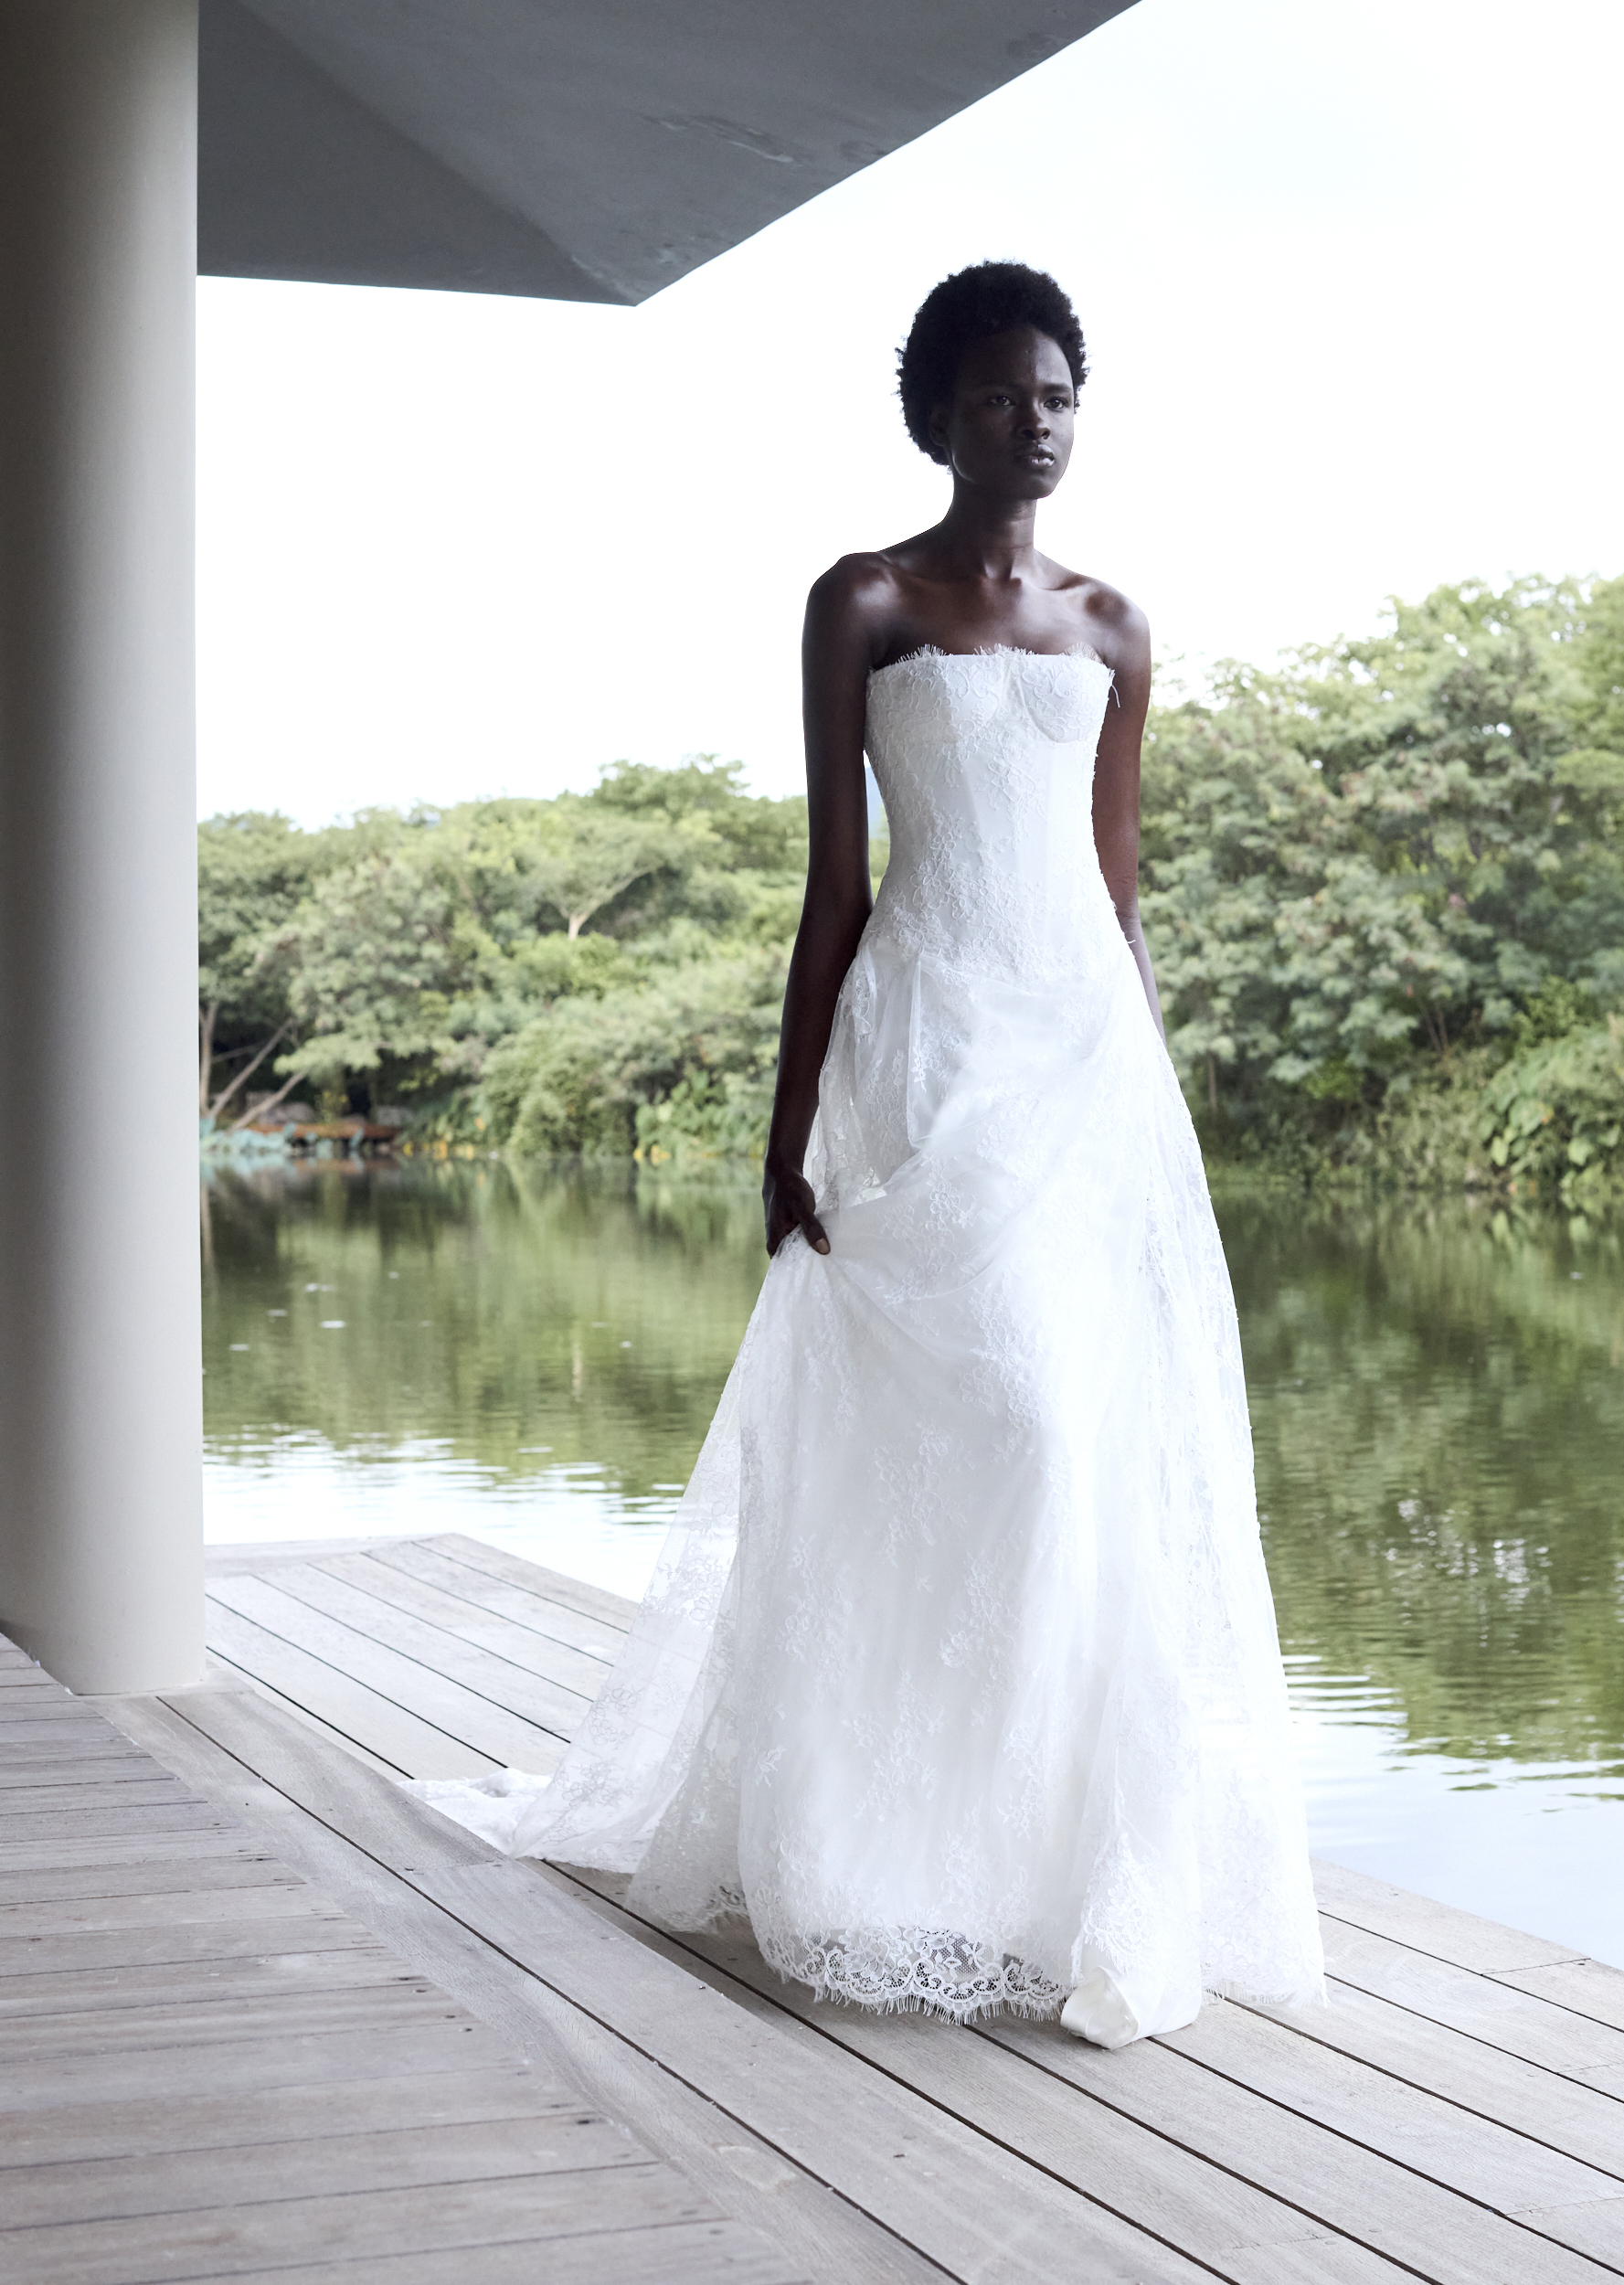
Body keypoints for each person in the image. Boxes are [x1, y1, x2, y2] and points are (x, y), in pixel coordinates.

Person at [429, 262, 1324, 2048]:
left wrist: (1155, 1106)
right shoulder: (863, 599)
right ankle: (881, 1844)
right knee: (982, 1428)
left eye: (1056, 392)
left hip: (1083, 1069)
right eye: (997, 395)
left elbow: (1119, 892)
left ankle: (1051, 1874)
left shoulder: (1115, 626)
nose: (1034, 420)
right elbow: (833, 889)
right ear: (936, 412)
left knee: (1075, 1453)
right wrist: (784, 1134)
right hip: (928, 1048)